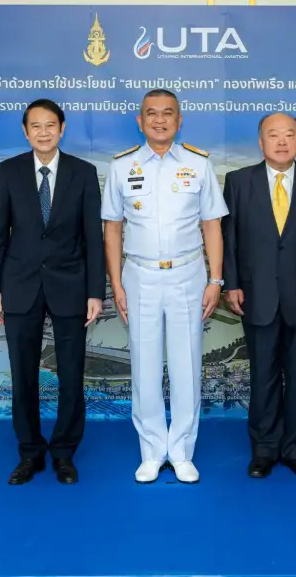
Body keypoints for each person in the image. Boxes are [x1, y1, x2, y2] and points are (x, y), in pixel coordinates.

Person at [101, 89, 228, 484]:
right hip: (139, 275)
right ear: (140, 121)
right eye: (151, 114)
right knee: (145, 364)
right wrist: (116, 283)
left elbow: (212, 225)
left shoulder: (198, 163)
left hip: (188, 274)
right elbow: (112, 229)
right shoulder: (122, 166)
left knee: (187, 364)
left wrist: (216, 279)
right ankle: (152, 451)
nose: (160, 120)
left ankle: (182, 451)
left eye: (167, 113)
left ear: (179, 120)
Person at [0, 99, 105, 486]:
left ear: (62, 128)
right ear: (25, 132)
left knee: (71, 374)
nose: (43, 132)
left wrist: (95, 291)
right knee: (23, 375)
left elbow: (93, 237)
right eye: (35, 126)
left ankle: (64, 452)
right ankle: (30, 452)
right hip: (19, 286)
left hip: (70, 286)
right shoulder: (9, 170)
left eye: (50, 125)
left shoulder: (83, 172)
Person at [221, 112, 296, 479]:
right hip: (257, 295)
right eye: (274, 135)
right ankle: (264, 450)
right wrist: (231, 283)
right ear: (261, 142)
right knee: (263, 376)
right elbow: (230, 239)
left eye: (289, 135)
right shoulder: (239, 181)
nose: (282, 141)